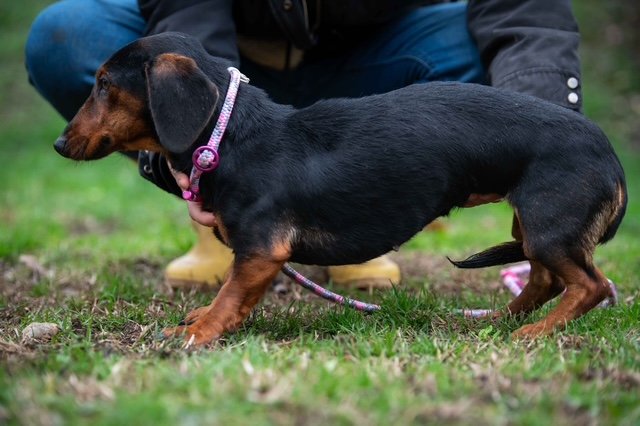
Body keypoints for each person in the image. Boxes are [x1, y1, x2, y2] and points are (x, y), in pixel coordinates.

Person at [25, 0, 583, 290]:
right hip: (224, 73)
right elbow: (188, 12)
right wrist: (204, 156)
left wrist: (548, 151)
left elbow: (526, 12)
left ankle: (362, 194)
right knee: (65, 35)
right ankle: (237, 215)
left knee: (478, 47)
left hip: (378, 70)